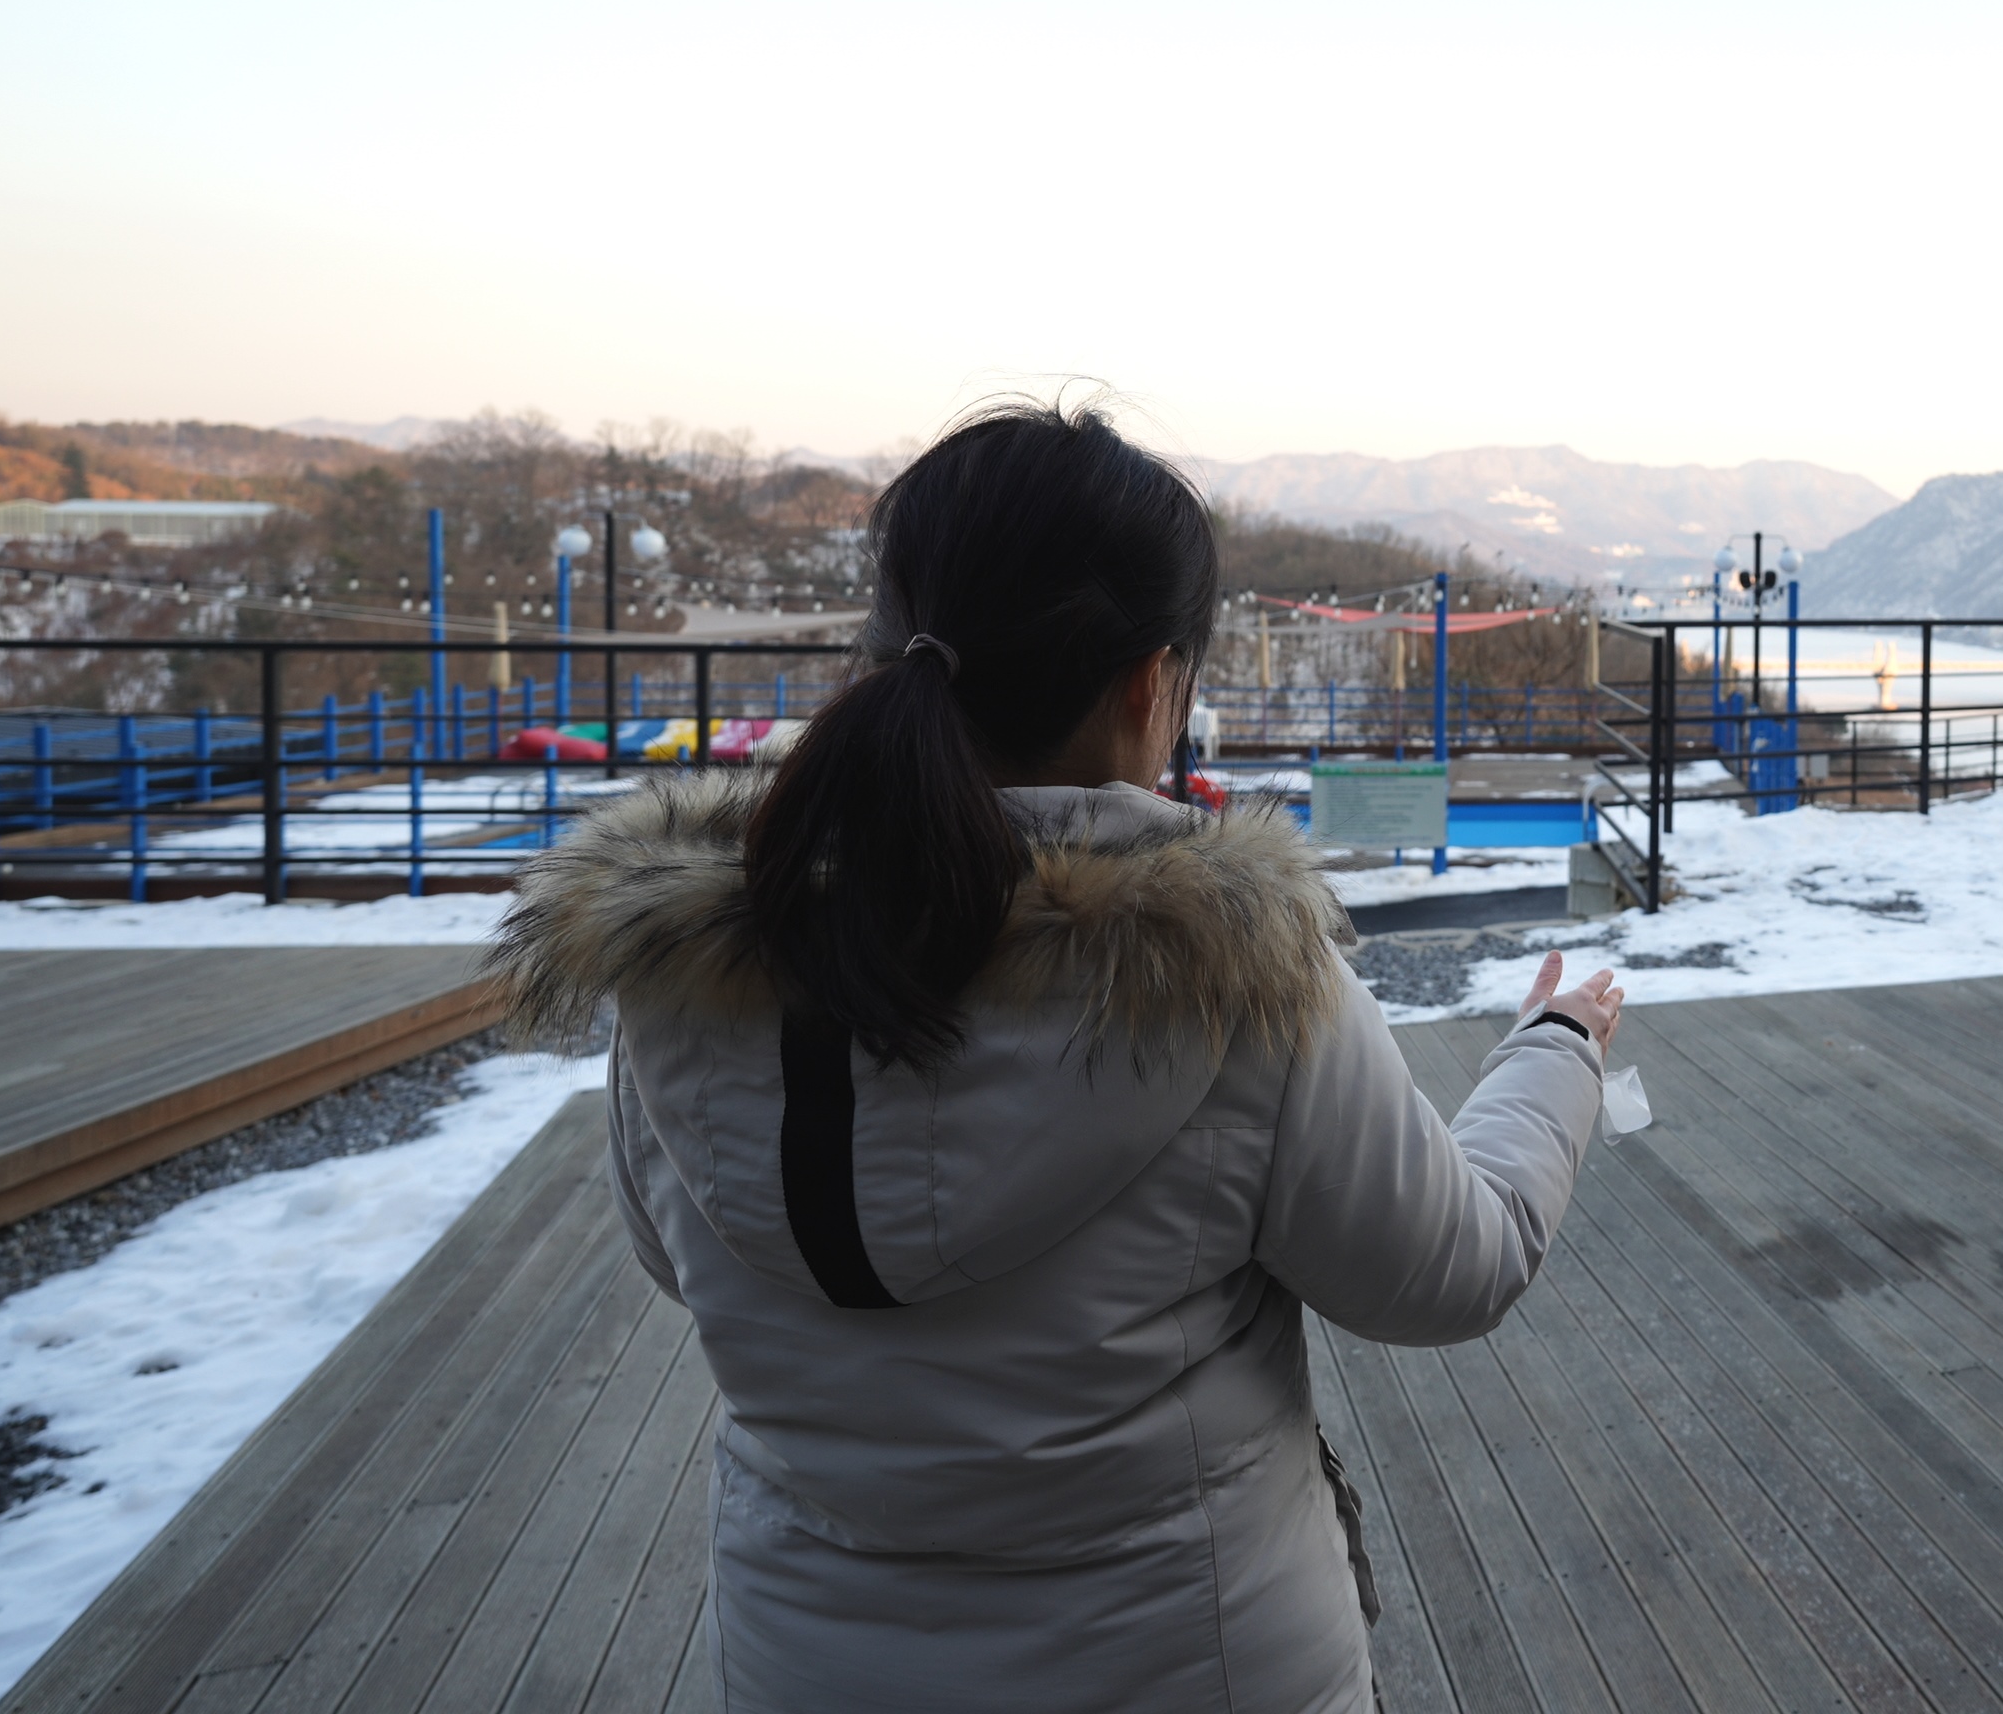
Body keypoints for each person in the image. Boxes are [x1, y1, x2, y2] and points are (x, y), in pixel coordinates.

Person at [492, 401, 1621, 1712]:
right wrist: (1556, 1051)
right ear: (1150, 684)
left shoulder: (689, 971)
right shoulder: (1228, 983)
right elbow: (1451, 1271)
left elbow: (677, 1259)